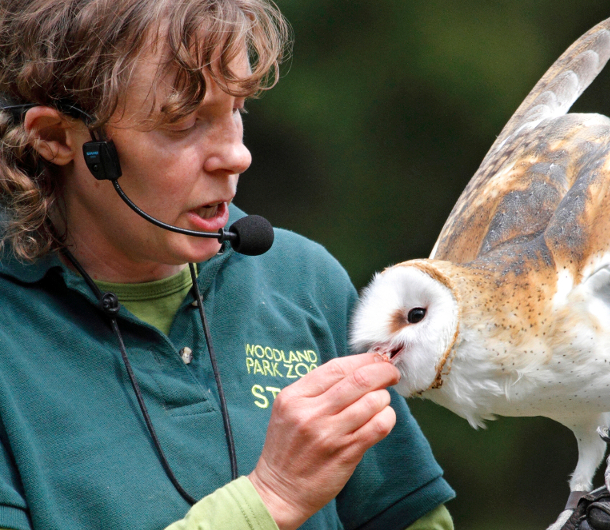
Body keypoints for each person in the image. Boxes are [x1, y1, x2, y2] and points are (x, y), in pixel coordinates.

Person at [0, 0, 455, 528]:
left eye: (237, 108)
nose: (236, 155)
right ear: (58, 138)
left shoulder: (303, 281)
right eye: (184, 121)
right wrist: (271, 498)